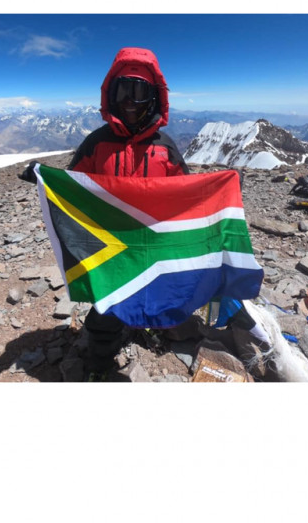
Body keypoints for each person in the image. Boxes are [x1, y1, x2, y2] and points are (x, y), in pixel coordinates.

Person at [67, 47, 190, 380]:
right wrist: (41, 178)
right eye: (123, 89)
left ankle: (145, 325)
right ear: (112, 93)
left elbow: (188, 193)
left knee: (153, 294)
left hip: (152, 244)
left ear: (154, 97)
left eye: (140, 91)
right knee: (107, 310)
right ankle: (99, 364)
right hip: (112, 246)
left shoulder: (166, 147)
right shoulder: (96, 143)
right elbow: (71, 185)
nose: (130, 100)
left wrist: (221, 189)